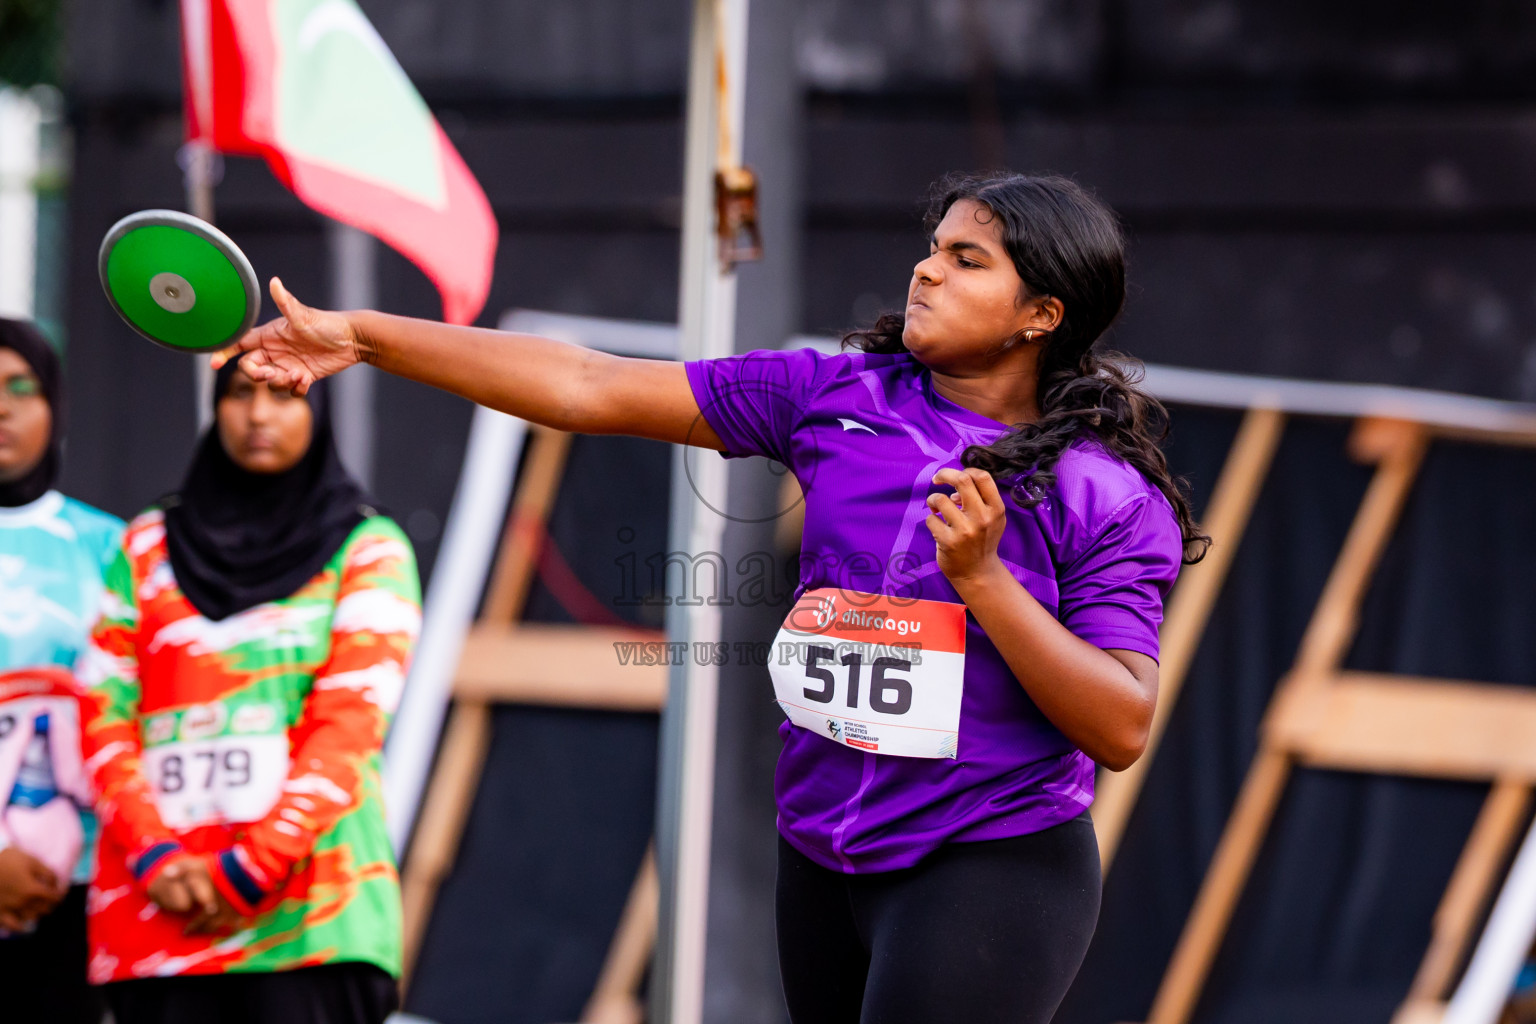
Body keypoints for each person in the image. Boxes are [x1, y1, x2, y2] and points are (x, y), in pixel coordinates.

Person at [226, 172, 1207, 1024]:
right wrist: (362, 335)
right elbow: (585, 384)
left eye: (968, 259)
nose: (927, 270)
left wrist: (985, 582)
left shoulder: (1101, 491)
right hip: (822, 846)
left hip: (987, 857)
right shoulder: (836, 395)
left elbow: (1120, 724)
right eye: (933, 248)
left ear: (1042, 315)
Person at [77, 357, 421, 1024]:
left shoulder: (368, 549)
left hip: (311, 924)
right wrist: (155, 853)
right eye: (240, 393)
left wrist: (251, 868)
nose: (259, 415)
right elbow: (101, 711)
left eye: (285, 395)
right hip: (158, 922)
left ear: (319, 414)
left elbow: (349, 725)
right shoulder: (146, 544)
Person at [0, 318, 122, 1024]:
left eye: (23, 388)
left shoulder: (113, 548)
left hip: (86, 892)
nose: (4, 407)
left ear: (56, 406)